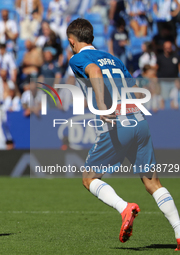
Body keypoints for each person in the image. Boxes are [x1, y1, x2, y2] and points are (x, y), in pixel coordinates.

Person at [67, 18, 180, 249]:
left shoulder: (77, 58)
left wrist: (101, 105)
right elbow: (136, 92)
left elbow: (95, 71)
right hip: (138, 121)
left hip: (117, 123)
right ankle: (179, 231)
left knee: (89, 178)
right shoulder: (115, 59)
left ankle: (124, 208)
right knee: (153, 183)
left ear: (72, 41)